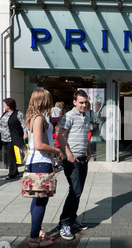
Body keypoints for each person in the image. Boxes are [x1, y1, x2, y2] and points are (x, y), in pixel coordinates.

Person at [24, 88, 62, 248]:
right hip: (41, 162)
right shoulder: (39, 118)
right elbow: (39, 145)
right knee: (41, 201)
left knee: (37, 199)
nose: (51, 102)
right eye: (49, 99)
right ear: (43, 101)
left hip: (35, 162)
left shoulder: (33, 118)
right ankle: (34, 239)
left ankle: (36, 231)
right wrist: (57, 150)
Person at [57, 89, 92, 240]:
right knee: (75, 191)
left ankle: (71, 219)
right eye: (81, 102)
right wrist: (68, 154)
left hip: (83, 159)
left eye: (85, 102)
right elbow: (60, 135)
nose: (84, 105)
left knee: (77, 191)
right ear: (74, 102)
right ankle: (64, 223)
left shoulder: (85, 116)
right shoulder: (69, 116)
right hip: (72, 160)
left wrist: (89, 150)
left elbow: (86, 135)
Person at [0, 98, 28, 180]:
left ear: (9, 105)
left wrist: (25, 133)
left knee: (11, 155)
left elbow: (23, 124)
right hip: (4, 138)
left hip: (13, 138)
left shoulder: (18, 113)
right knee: (9, 155)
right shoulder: (5, 114)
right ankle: (14, 171)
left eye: (4, 104)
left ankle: (12, 173)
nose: (3, 106)